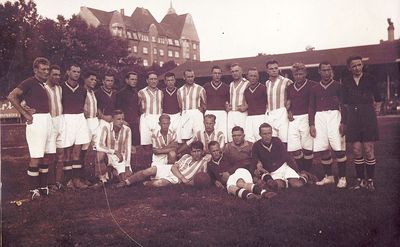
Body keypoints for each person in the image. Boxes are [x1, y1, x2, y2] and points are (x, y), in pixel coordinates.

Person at [7, 57, 52, 199]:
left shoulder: (44, 84)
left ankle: (43, 187)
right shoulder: (29, 82)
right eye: (43, 69)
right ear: (35, 70)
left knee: (46, 156)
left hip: (47, 120)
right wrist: (25, 113)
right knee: (36, 156)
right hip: (36, 121)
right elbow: (12, 96)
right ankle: (34, 190)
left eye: (47, 69)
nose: (46, 72)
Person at [342, 56, 382, 191]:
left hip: (368, 117)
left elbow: (378, 98)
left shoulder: (370, 79)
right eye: (354, 66)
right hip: (353, 117)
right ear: (349, 68)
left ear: (362, 65)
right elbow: (344, 103)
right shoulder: (346, 81)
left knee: (368, 149)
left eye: (359, 65)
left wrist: (375, 112)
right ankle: (360, 181)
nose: (357, 68)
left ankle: (370, 180)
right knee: (356, 150)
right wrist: (346, 120)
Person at [309, 61, 347, 188]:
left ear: (332, 71)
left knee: (339, 149)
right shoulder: (314, 88)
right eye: (324, 70)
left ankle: (342, 178)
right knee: (323, 149)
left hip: (335, 117)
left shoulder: (338, 86)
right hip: (319, 117)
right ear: (319, 72)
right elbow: (311, 108)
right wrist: (311, 125)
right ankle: (329, 177)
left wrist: (343, 122)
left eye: (329, 70)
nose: (327, 72)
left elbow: (343, 105)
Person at [115, 141, 209, 188]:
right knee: (149, 170)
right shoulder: (186, 156)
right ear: (191, 152)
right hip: (171, 170)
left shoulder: (203, 162)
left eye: (198, 151)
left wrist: (189, 182)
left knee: (160, 183)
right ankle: (127, 182)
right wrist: (183, 179)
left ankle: (144, 183)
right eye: (194, 151)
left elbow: (202, 177)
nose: (196, 154)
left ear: (202, 151)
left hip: (176, 179)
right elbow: (173, 167)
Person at [207, 141, 276, 200]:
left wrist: (229, 172)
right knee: (231, 188)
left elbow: (240, 163)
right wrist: (215, 181)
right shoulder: (210, 164)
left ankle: (264, 192)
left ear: (220, 149)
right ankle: (249, 195)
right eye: (213, 151)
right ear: (210, 152)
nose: (216, 153)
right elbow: (211, 176)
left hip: (237, 174)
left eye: (217, 150)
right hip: (228, 182)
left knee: (239, 183)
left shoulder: (227, 157)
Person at [59, 63, 90, 189]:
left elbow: (82, 104)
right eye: (74, 71)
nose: (76, 74)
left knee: (77, 150)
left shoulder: (83, 89)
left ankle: (77, 179)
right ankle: (68, 180)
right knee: (67, 151)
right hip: (66, 118)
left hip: (80, 118)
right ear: (68, 72)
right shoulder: (61, 88)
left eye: (78, 72)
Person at [252, 123, 310, 190]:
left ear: (272, 133)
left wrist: (297, 171)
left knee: (297, 185)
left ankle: (306, 175)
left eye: (269, 133)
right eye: (264, 134)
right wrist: (254, 174)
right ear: (260, 134)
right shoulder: (256, 145)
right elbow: (254, 161)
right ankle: (287, 183)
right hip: (272, 172)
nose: (267, 136)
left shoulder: (277, 141)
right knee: (276, 186)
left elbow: (287, 157)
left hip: (283, 167)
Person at [286, 63, 316, 172]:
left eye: (300, 74)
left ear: (305, 73)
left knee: (307, 148)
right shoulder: (290, 87)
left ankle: (307, 172)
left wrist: (312, 121)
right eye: (296, 74)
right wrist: (288, 111)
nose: (298, 76)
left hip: (306, 117)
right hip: (293, 118)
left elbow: (314, 104)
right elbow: (289, 102)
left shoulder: (312, 85)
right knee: (295, 149)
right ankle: (301, 171)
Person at [95, 110, 132, 185]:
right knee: (100, 155)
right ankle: (102, 178)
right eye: (118, 119)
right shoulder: (106, 127)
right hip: (108, 156)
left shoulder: (127, 130)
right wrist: (114, 152)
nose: (121, 121)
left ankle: (112, 171)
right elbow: (99, 146)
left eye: (122, 119)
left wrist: (127, 166)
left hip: (121, 158)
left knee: (125, 179)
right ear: (112, 120)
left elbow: (128, 148)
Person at [43, 65, 64, 191]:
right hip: (49, 122)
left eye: (59, 75)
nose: (57, 77)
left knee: (60, 154)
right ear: (49, 75)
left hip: (60, 122)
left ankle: (58, 181)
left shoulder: (60, 88)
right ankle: (49, 183)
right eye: (55, 74)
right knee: (50, 155)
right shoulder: (43, 88)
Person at [264, 60, 293, 146]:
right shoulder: (267, 83)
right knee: (272, 139)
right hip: (270, 113)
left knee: (284, 140)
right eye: (271, 68)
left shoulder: (286, 81)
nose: (274, 70)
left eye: (276, 68)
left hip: (282, 113)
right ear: (267, 71)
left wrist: (290, 109)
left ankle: (286, 159)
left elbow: (293, 96)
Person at [116, 71, 141, 166]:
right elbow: (118, 110)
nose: (134, 81)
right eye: (132, 79)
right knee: (124, 147)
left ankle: (133, 168)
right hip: (125, 123)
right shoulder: (120, 93)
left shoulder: (136, 92)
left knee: (134, 147)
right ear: (127, 80)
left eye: (136, 79)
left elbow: (137, 109)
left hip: (134, 123)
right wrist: (123, 121)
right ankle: (123, 168)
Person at [177, 69, 206, 144]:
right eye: (188, 77)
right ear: (184, 77)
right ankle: (187, 154)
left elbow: (205, 103)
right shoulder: (180, 90)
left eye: (192, 76)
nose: (190, 78)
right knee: (185, 136)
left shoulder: (200, 89)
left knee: (199, 134)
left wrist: (202, 108)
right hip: (185, 113)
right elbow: (180, 105)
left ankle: (200, 153)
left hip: (196, 113)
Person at [81, 71, 100, 172]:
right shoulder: (81, 91)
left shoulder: (92, 92)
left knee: (98, 146)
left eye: (95, 80)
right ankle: (80, 174)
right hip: (85, 121)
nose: (94, 81)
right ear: (85, 79)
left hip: (94, 121)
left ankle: (99, 172)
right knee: (83, 148)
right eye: (91, 79)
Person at [203, 66, 229, 138]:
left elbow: (228, 101)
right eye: (215, 73)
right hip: (209, 112)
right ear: (212, 74)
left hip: (222, 113)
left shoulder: (226, 87)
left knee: (222, 133)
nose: (217, 75)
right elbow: (202, 101)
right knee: (209, 134)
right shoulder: (205, 86)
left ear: (221, 74)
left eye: (219, 73)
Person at [138, 71, 163, 146]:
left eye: (155, 79)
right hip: (146, 118)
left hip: (158, 117)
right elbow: (138, 106)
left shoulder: (161, 92)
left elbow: (162, 105)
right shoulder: (141, 92)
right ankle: (147, 157)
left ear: (157, 80)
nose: (153, 81)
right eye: (151, 79)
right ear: (147, 80)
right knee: (146, 143)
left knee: (158, 142)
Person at [226, 63, 249, 142]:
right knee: (230, 135)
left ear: (241, 71)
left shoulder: (247, 83)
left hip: (242, 113)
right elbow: (227, 98)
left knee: (242, 135)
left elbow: (252, 99)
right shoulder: (231, 84)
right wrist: (227, 105)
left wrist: (246, 106)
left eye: (236, 71)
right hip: (231, 113)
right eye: (232, 71)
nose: (234, 73)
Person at [243, 67, 267, 142]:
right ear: (247, 77)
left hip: (260, 116)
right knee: (249, 139)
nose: (253, 78)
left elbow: (267, 103)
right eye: (251, 76)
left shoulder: (263, 88)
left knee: (260, 138)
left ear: (258, 77)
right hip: (249, 117)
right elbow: (247, 104)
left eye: (255, 76)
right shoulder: (246, 90)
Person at [162, 72, 181, 136]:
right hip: (166, 116)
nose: (170, 82)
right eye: (168, 80)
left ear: (175, 80)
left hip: (177, 116)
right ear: (165, 81)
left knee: (178, 136)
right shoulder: (161, 92)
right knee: (167, 135)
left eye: (172, 80)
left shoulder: (180, 91)